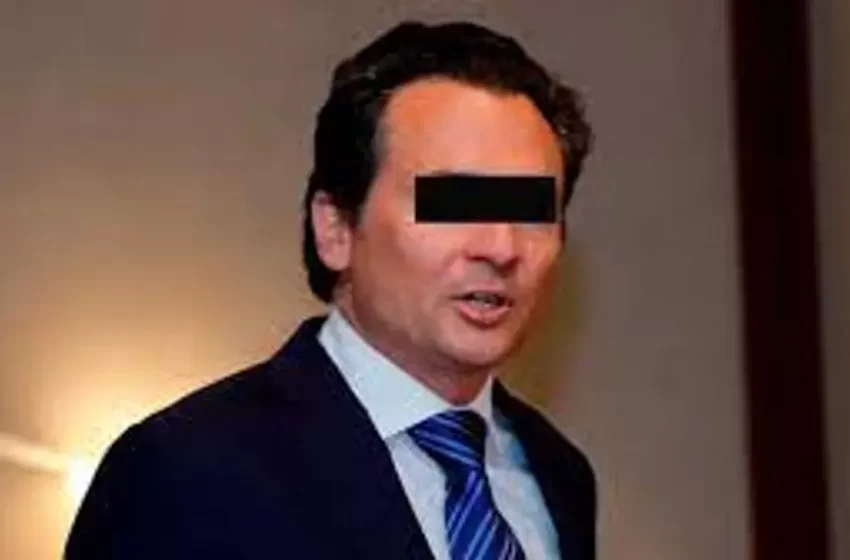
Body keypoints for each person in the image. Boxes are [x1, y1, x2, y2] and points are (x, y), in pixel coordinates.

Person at [65, 20, 596, 560]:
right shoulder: (183, 474)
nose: (501, 248)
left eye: (532, 212)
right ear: (336, 228)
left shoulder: (559, 476)